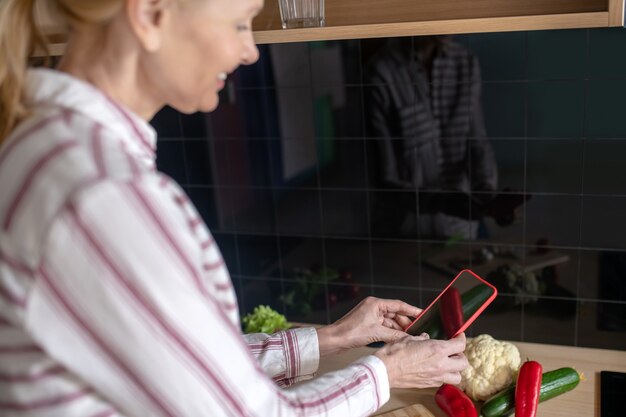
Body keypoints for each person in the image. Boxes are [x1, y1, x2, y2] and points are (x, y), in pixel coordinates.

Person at [0, 1, 468, 416]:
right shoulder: (105, 196)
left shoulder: (43, 146)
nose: (250, 52)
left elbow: (176, 364)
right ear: (149, 14)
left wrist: (330, 339)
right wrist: (387, 372)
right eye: (240, 24)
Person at [365, 36, 523, 240]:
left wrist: (489, 197)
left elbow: (477, 144)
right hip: (405, 236)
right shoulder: (379, 74)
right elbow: (384, 181)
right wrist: (443, 202)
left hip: (461, 231)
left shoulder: (465, 62)